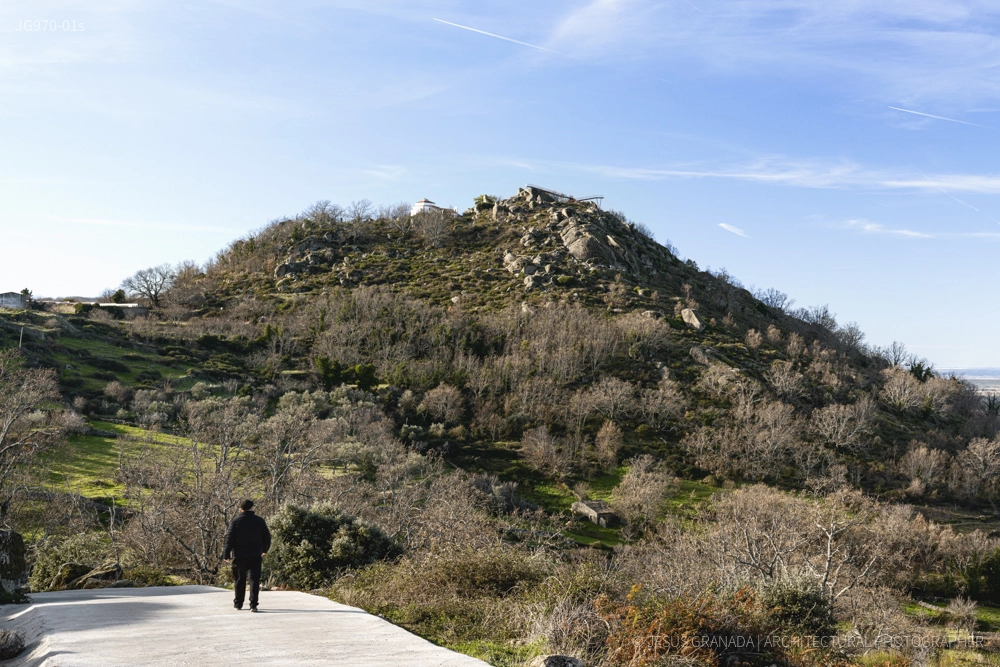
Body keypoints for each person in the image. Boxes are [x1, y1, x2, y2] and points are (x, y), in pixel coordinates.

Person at [223, 499, 271, 612]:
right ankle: (253, 605)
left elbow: (229, 539)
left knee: (240, 579)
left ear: (241, 509)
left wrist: (226, 554)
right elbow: (267, 537)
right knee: (254, 580)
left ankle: (238, 604)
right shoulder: (259, 521)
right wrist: (264, 550)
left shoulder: (236, 521)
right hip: (255, 554)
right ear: (252, 508)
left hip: (239, 555)